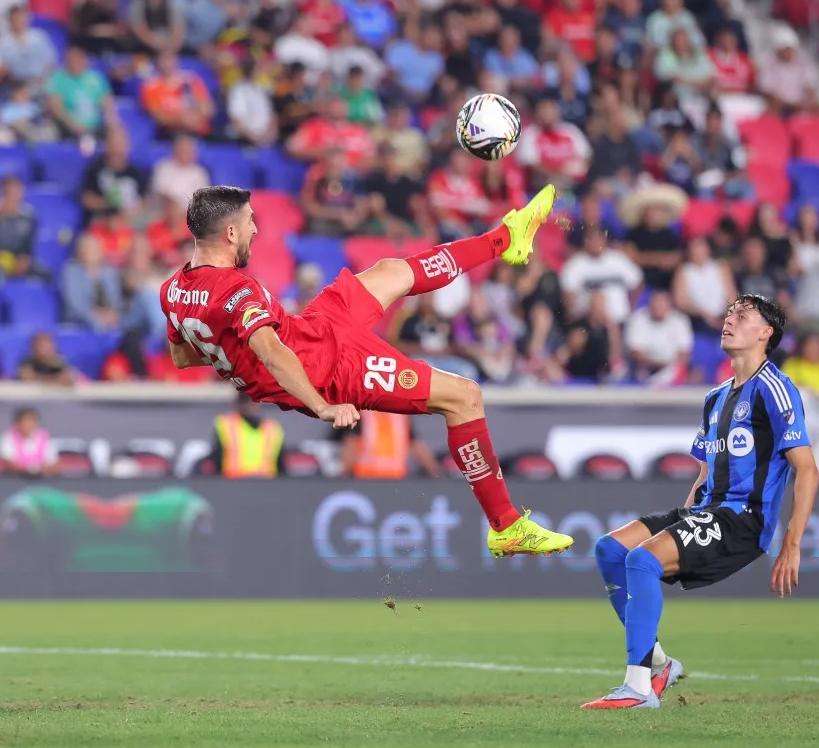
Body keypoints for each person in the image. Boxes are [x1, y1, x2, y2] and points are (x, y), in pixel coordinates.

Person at [160, 184, 573, 557]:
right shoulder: (236, 288)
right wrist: (322, 406)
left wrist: (233, 359)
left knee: (392, 270)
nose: (255, 231)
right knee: (465, 397)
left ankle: (506, 238)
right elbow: (271, 351)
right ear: (230, 233)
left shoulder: (174, 290)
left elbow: (183, 357)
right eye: (250, 222)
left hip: (312, 329)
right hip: (333, 369)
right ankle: (506, 526)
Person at [583, 294, 819, 710]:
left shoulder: (776, 390)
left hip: (743, 519)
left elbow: (808, 470)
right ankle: (659, 664)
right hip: (707, 511)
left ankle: (638, 688)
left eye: (742, 315)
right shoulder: (715, 397)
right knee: (610, 549)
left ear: (766, 333)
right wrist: (687, 515)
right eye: (729, 312)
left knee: (642, 560)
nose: (730, 319)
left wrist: (792, 544)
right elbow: (708, 469)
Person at [209, 394, 286, 478]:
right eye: (244, 400)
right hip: (234, 482)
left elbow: (280, 463)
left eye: (252, 400)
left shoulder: (273, 428)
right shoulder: (225, 424)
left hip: (266, 483)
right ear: (237, 403)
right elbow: (217, 458)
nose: (249, 404)